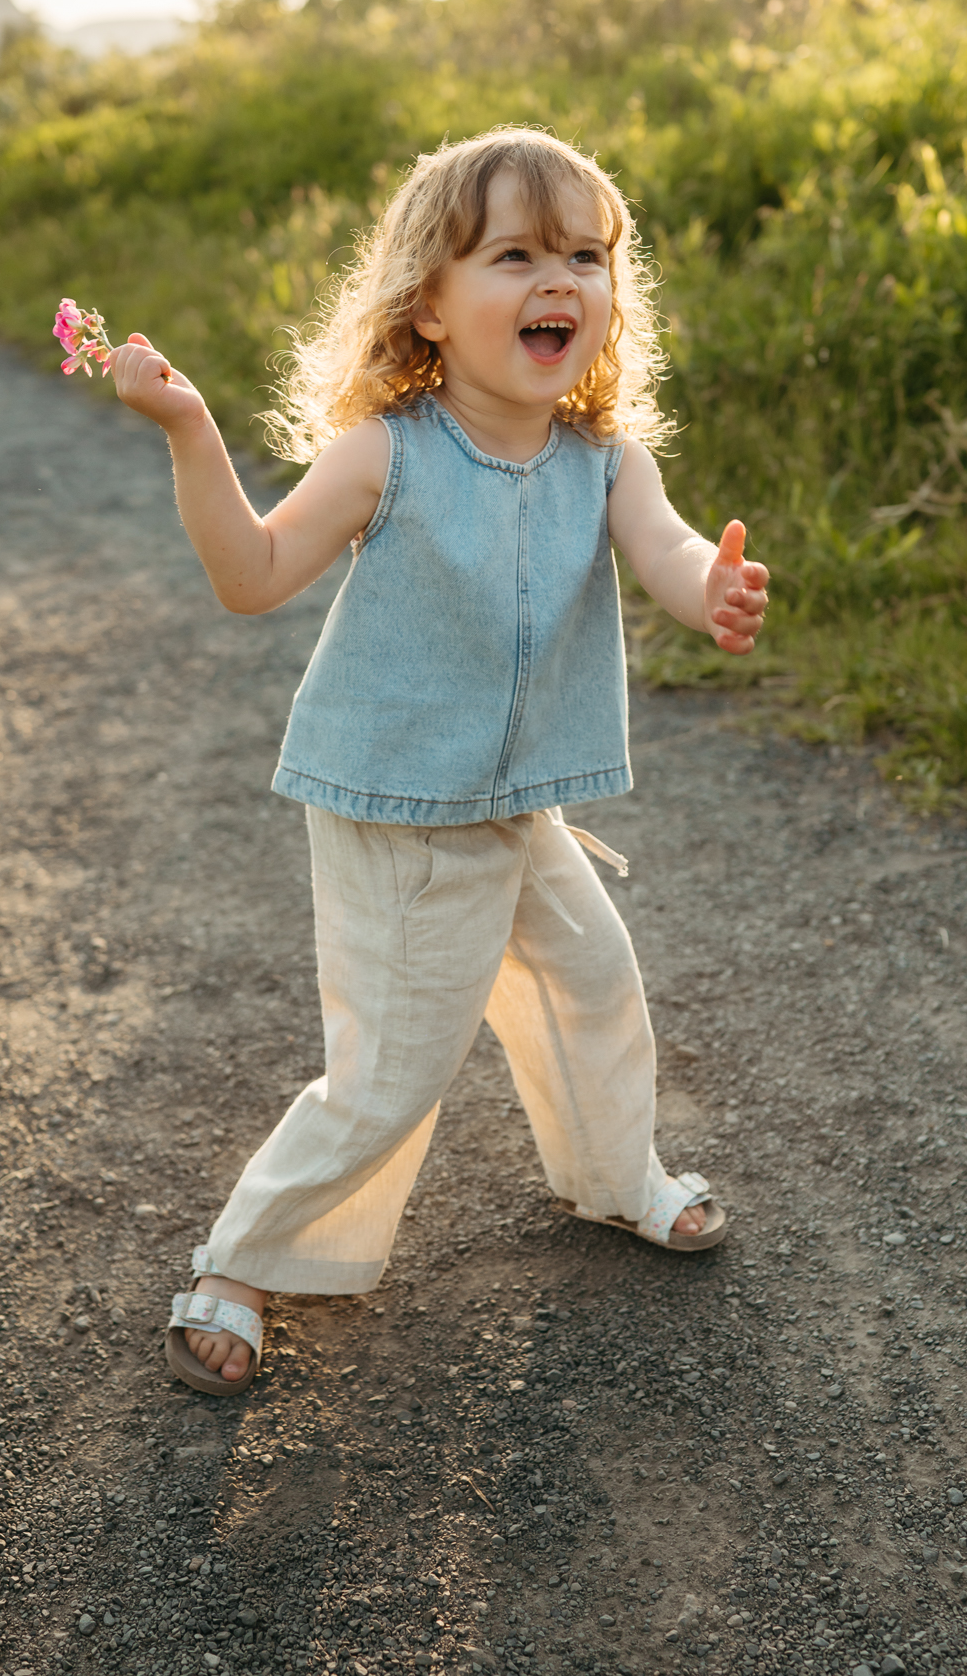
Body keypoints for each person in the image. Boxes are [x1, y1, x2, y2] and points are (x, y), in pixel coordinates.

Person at [110, 128, 769, 1397]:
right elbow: (250, 576)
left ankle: (612, 1177)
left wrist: (716, 589)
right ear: (428, 302)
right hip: (400, 810)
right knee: (398, 1064)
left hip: (515, 804)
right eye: (515, 253)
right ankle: (241, 1257)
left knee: (591, 977)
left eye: (584, 254)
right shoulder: (387, 451)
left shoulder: (604, 461)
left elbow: (673, 546)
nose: (557, 280)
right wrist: (189, 428)